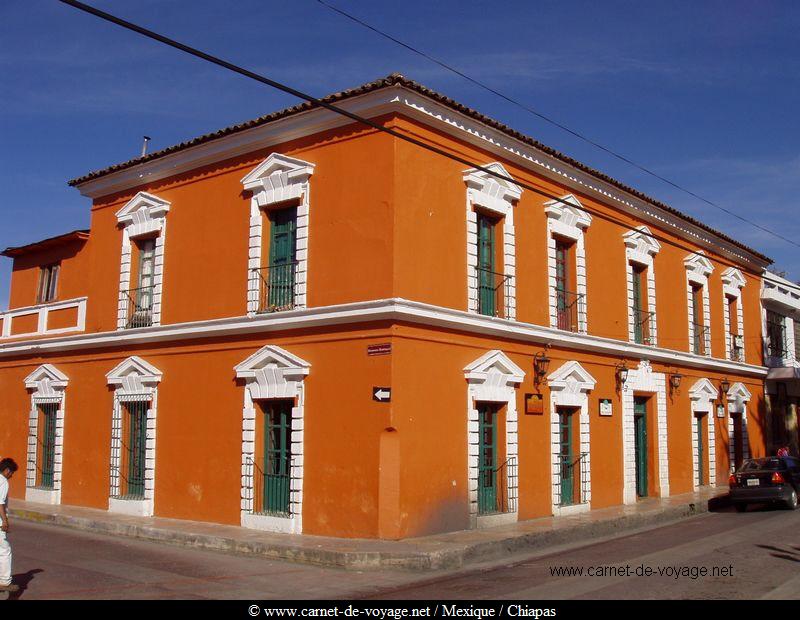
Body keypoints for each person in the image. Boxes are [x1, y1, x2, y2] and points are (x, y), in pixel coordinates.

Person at [0, 458, 19, 593]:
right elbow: (0, 503)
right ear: (7, 470)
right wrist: (5, 521)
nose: (11, 475)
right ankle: (5, 581)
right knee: (5, 550)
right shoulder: (3, 481)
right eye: (11, 472)